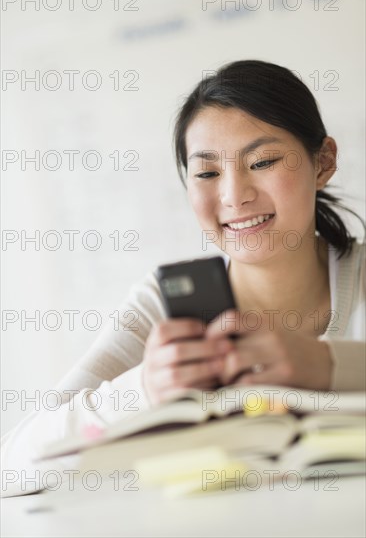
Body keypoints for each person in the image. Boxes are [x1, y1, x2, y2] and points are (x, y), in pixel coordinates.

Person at [1, 60, 365, 498]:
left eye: (263, 161)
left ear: (323, 162)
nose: (234, 195)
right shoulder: (160, 305)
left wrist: (326, 367)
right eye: (207, 173)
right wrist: (142, 390)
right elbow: (14, 468)